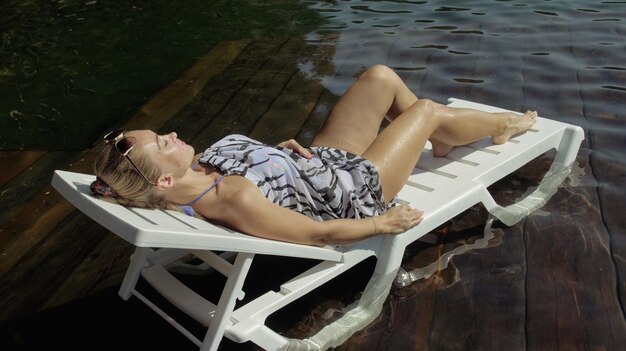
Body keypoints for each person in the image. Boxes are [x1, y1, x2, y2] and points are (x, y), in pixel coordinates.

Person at [91, 64, 536, 246]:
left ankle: (444, 139)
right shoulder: (231, 198)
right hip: (355, 190)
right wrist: (382, 223)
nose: (171, 134)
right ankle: (499, 124)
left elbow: (262, 179)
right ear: (162, 181)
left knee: (380, 78)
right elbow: (313, 234)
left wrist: (275, 159)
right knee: (426, 110)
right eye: (164, 143)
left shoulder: (192, 175)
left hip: (319, 166)